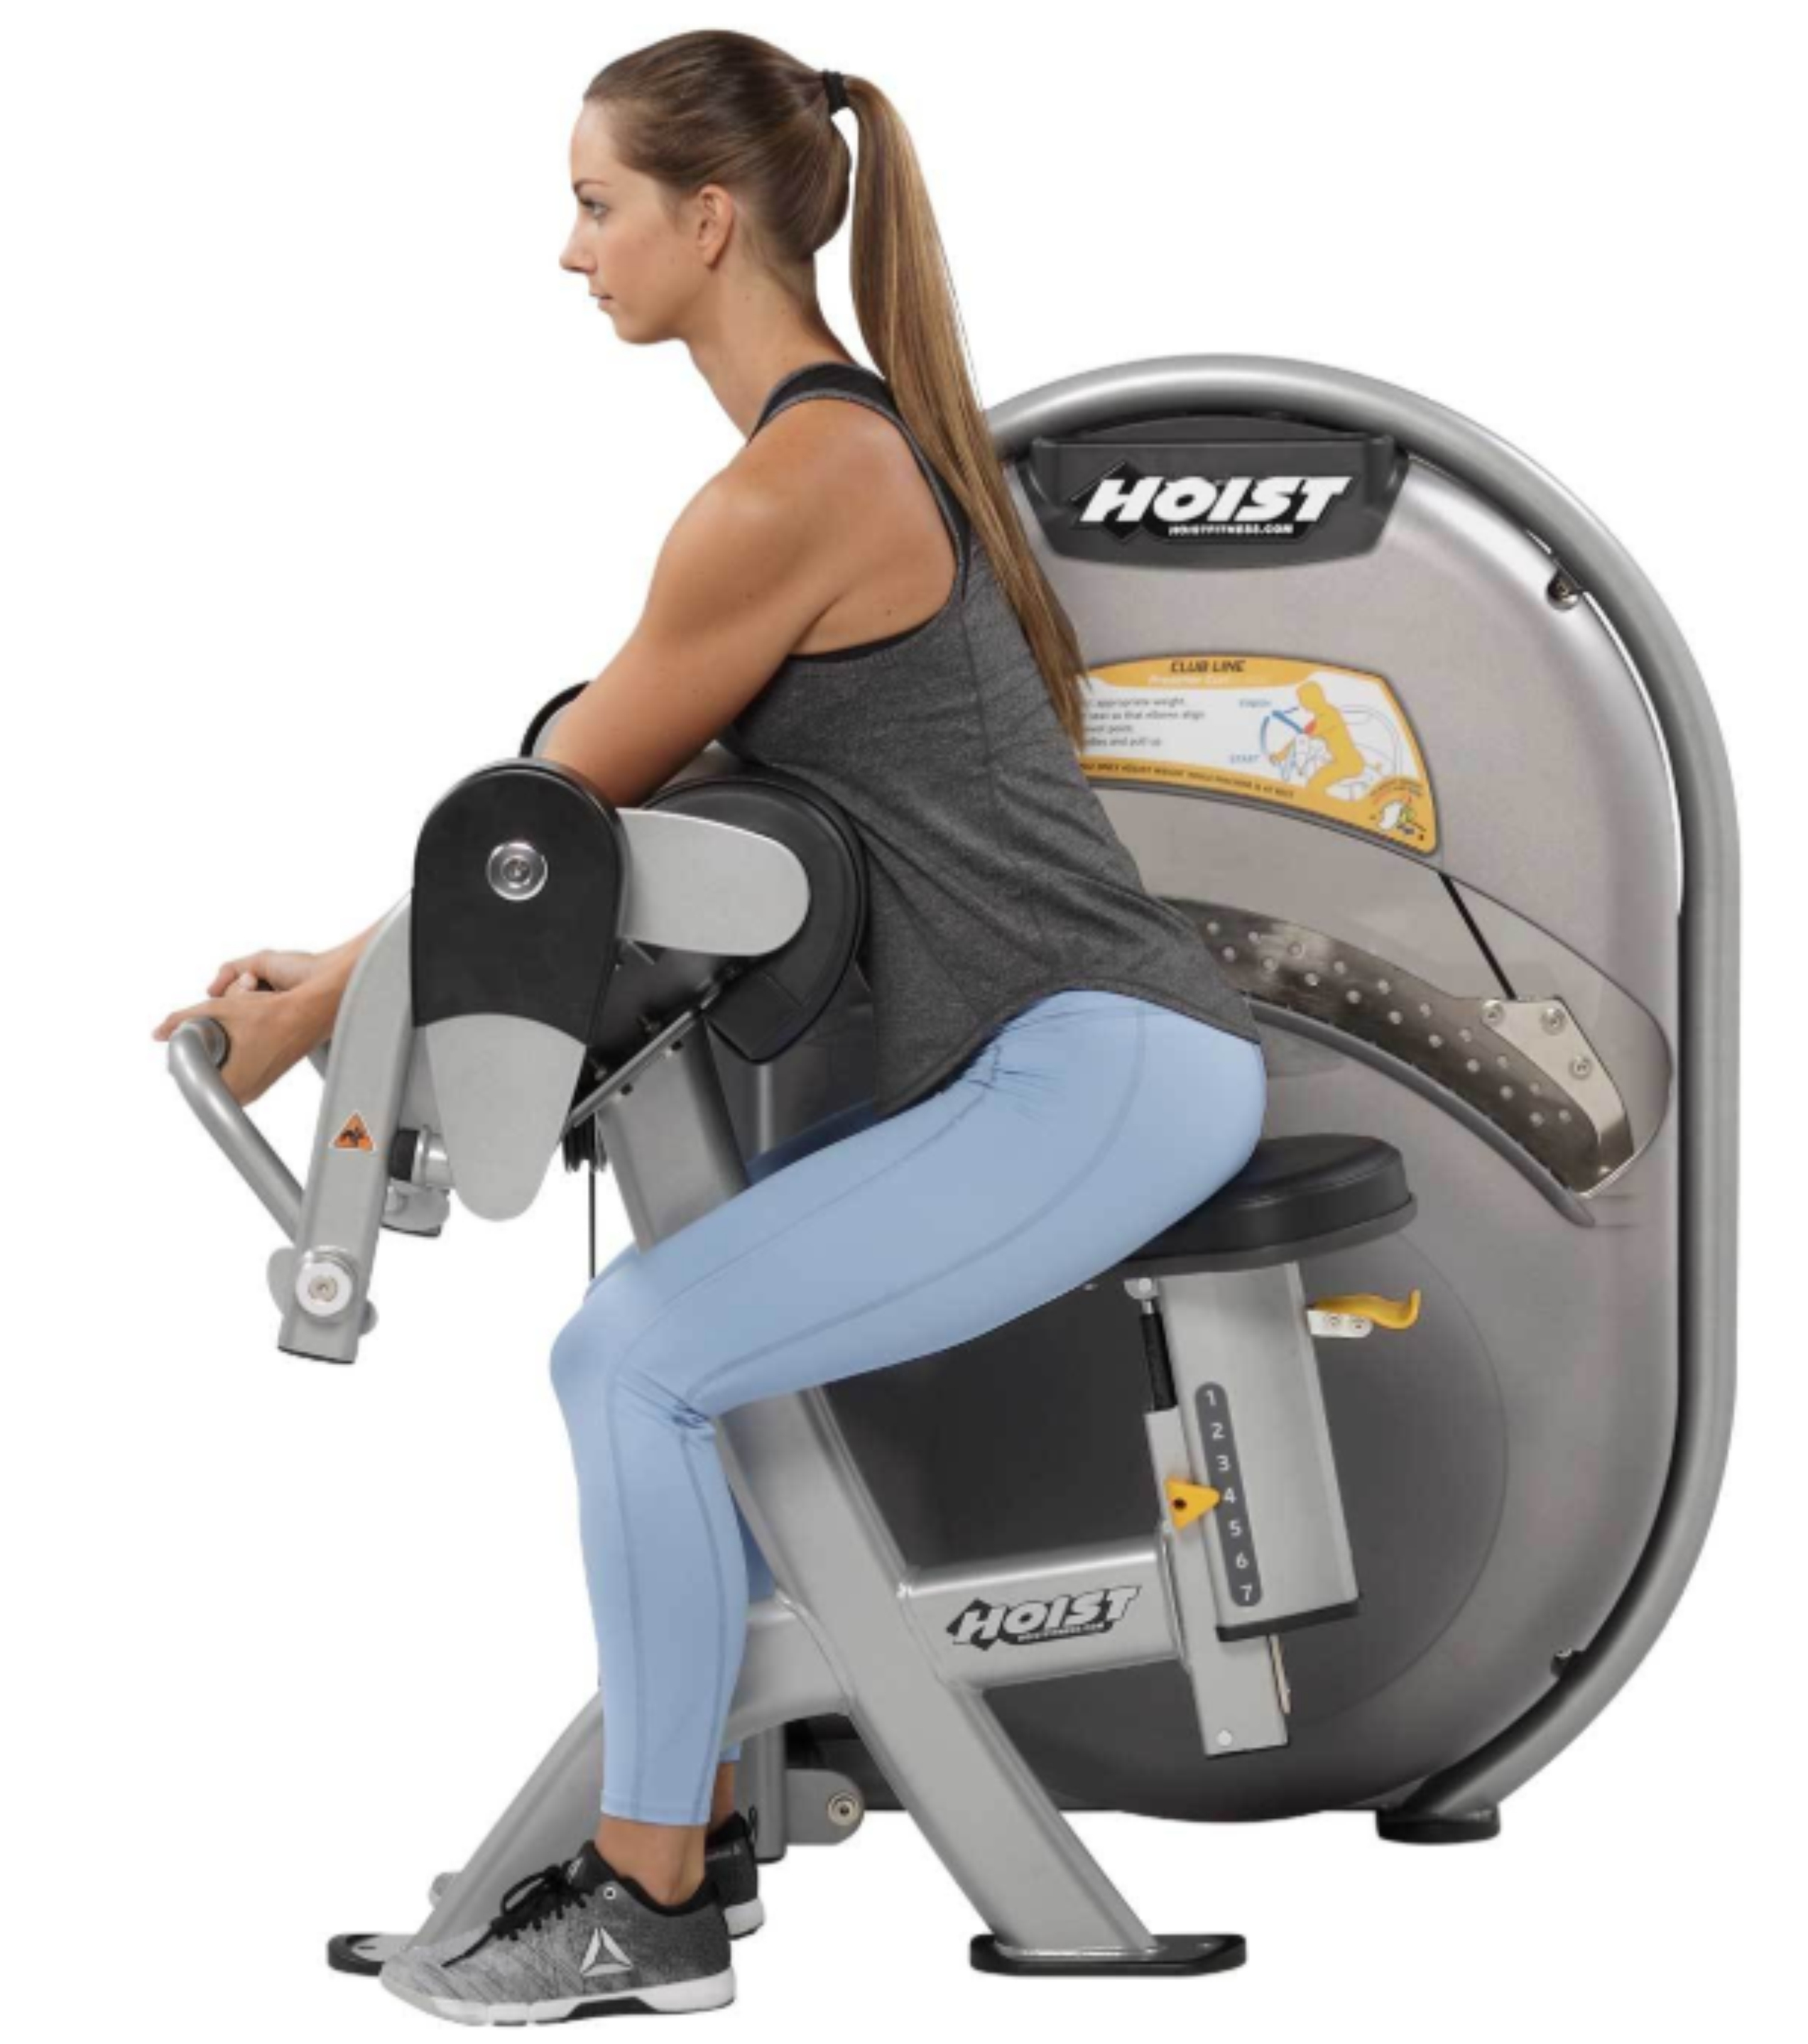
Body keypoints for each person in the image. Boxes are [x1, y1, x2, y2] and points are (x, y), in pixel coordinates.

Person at [152, 29, 1268, 2023]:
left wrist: (316, 1007)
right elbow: (575, 818)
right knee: (687, 1362)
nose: (570, 251)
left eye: (596, 206)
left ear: (711, 217)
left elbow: (555, 813)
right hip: (1054, 1066)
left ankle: (646, 1897)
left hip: (1100, 1065)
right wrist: (328, 979)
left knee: (633, 1359)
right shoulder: (821, 463)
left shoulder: (796, 488)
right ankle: (705, 1821)